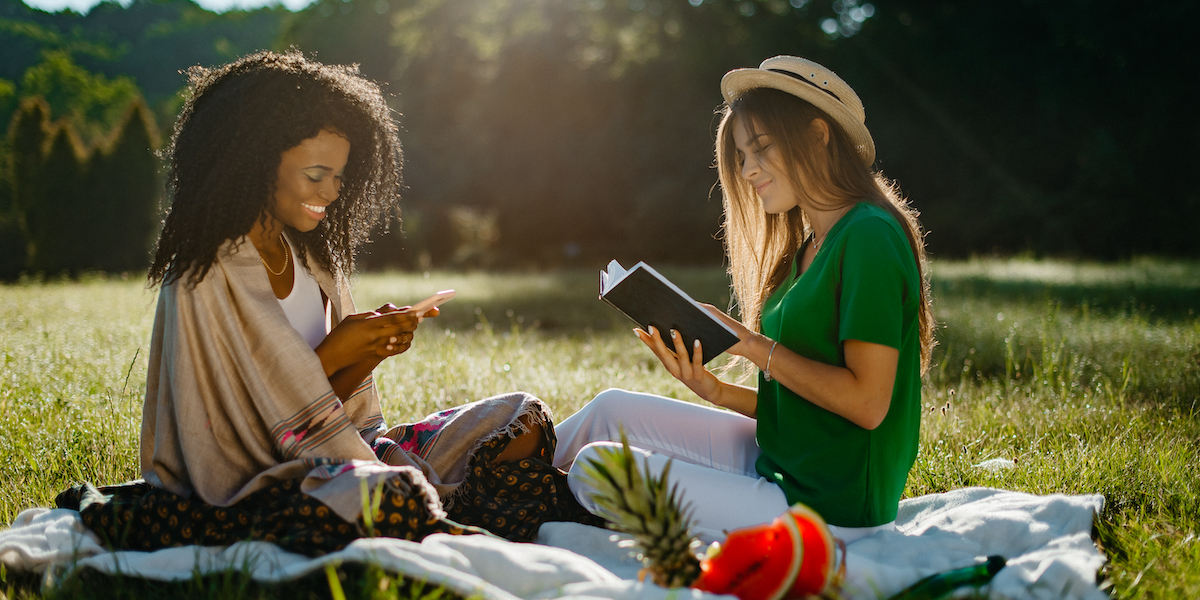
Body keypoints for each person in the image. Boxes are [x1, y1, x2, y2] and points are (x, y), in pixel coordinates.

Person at [57, 51, 594, 555]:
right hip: (249, 486)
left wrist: (368, 349)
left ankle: (445, 514)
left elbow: (313, 417)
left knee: (518, 419)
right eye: (316, 175)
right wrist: (341, 349)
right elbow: (246, 442)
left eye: (339, 176)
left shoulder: (314, 258)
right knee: (386, 497)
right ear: (253, 163)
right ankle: (455, 521)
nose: (333, 191)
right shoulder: (206, 274)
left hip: (335, 451)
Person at [554, 56, 935, 544]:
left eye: (760, 149)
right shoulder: (811, 245)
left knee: (596, 468)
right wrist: (717, 392)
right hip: (783, 461)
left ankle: (490, 492)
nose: (748, 170)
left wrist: (753, 346)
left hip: (828, 508)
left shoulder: (869, 237)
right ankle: (469, 469)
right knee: (610, 409)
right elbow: (810, 410)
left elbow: (866, 404)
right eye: (741, 156)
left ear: (819, 136)